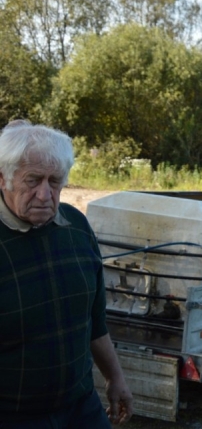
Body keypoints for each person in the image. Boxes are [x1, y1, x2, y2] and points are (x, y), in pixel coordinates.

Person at [0, 122, 134, 427]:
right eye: (33, 180)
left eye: (55, 181)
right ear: (2, 179)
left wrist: (115, 378)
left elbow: (94, 319)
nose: (45, 194)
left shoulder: (76, 226)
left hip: (81, 407)